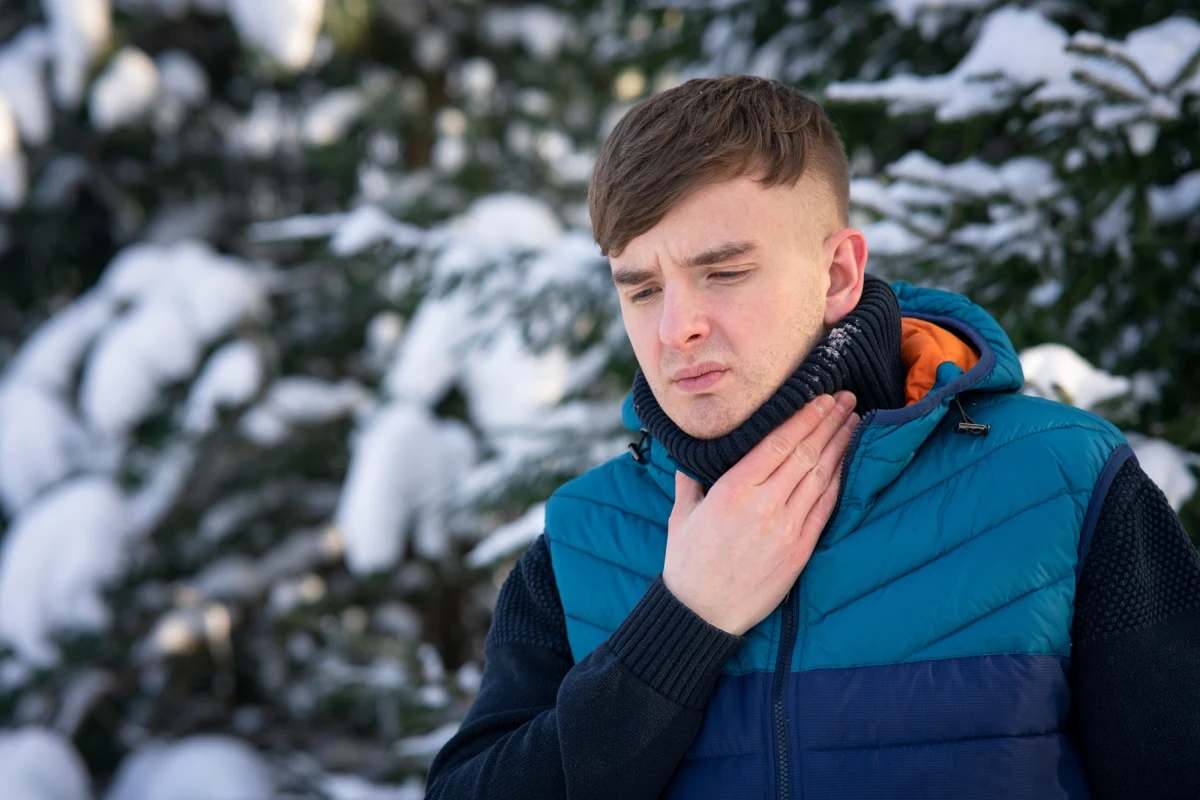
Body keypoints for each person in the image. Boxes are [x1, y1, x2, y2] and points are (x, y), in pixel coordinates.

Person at [425, 76, 1200, 799]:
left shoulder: (1062, 485)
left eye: (724, 273)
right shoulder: (582, 539)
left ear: (837, 275)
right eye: (643, 289)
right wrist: (683, 623)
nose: (674, 329)